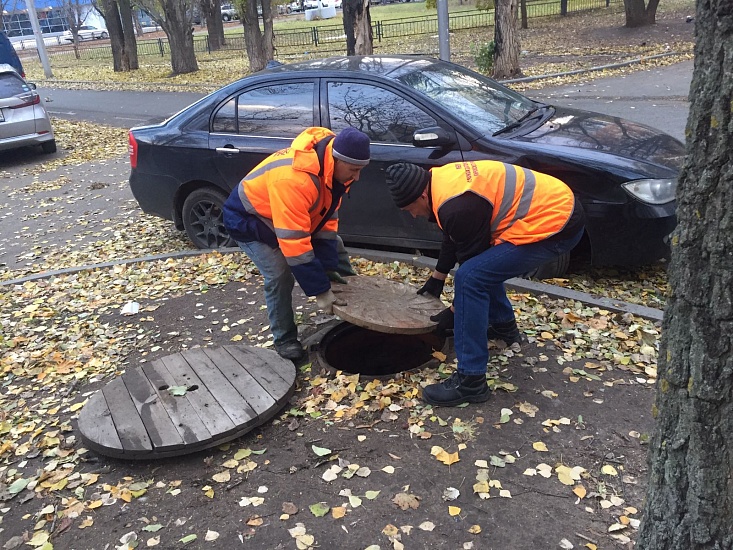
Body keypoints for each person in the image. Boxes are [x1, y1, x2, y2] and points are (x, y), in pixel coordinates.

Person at [385, 161, 585, 406]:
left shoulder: (457, 206)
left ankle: (471, 381)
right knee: (481, 271)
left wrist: (454, 312)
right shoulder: (441, 182)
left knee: (471, 277)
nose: (413, 214)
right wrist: (438, 277)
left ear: (422, 194)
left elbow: (471, 265)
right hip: (557, 205)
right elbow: (453, 235)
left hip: (554, 224)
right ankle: (504, 330)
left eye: (410, 208)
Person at [223, 126, 370, 361]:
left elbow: (327, 218)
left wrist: (329, 268)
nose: (357, 177)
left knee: (337, 246)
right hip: (249, 219)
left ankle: (353, 308)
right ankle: (284, 338)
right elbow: (295, 243)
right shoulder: (295, 179)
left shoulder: (336, 170)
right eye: (354, 170)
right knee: (279, 272)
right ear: (337, 159)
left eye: (361, 170)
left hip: (284, 215)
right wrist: (320, 291)